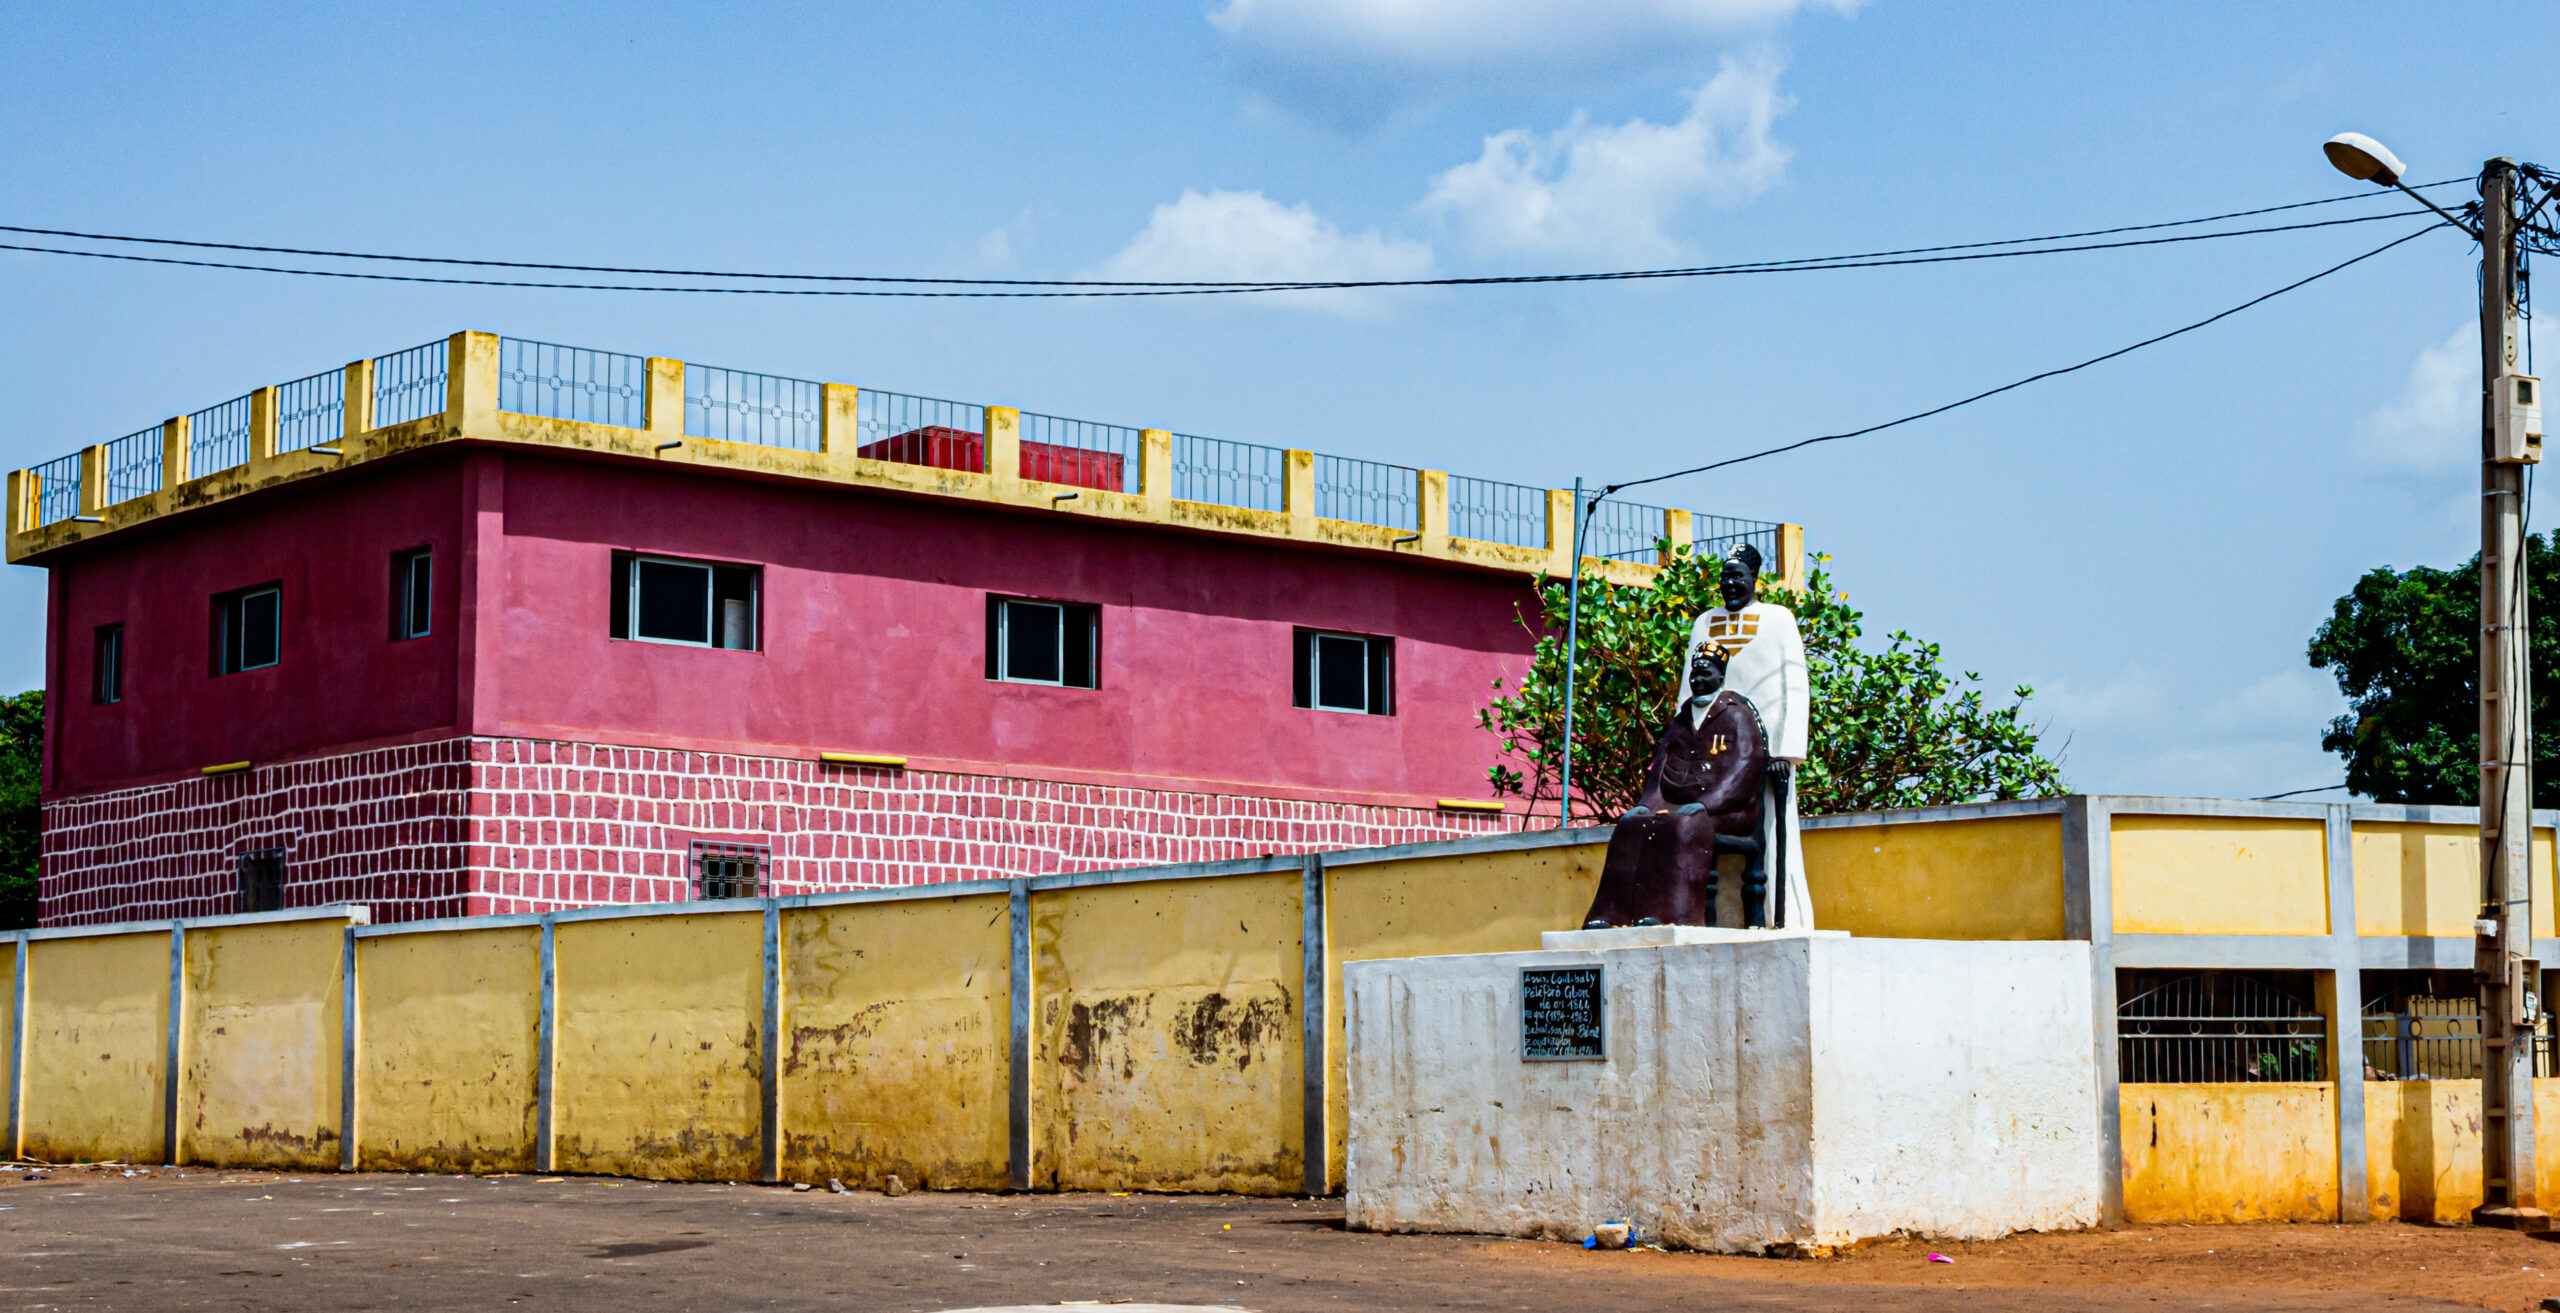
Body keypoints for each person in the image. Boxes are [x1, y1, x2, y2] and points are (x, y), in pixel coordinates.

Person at [1582, 646, 1769, 928]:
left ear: (1720, 677)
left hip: (1728, 810)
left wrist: (1707, 804)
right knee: (1630, 826)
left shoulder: (1737, 716)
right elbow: (1659, 771)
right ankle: (1610, 915)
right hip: (1676, 805)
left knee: (1681, 826)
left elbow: (1743, 770)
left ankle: (1672, 916)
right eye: (1694, 674)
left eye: (1705, 674)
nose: (1698, 680)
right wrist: (1647, 804)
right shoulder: (1682, 720)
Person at [1685, 542, 1814, 929]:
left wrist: (1785, 753)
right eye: (1724, 577)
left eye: (1737, 576)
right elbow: (1690, 690)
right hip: (1714, 755)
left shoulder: (1779, 620)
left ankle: (1780, 918)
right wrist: (1687, 747)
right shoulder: (1704, 623)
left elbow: (1794, 687)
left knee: (1772, 832)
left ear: (1753, 578)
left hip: (1768, 757)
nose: (1729, 584)